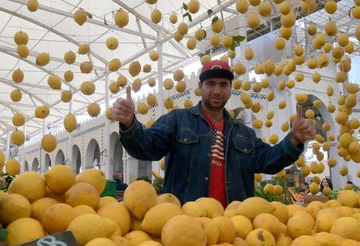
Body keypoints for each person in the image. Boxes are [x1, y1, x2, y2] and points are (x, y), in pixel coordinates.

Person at [111, 59, 316, 205]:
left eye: (223, 84)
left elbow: (269, 160)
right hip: (184, 223)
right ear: (199, 86)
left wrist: (295, 139)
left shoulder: (244, 133)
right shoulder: (177, 121)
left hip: (233, 226)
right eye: (210, 84)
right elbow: (148, 148)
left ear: (230, 89)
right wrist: (130, 124)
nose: (217, 90)